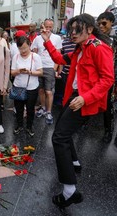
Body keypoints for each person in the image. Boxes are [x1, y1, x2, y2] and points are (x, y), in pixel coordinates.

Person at [41, 13, 114, 208]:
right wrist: (47, 41)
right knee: (61, 131)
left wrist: (84, 98)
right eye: (70, 29)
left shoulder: (99, 48)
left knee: (59, 137)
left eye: (76, 29)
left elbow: (108, 79)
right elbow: (58, 58)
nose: (72, 33)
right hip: (73, 97)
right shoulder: (79, 48)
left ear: (89, 29)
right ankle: (74, 162)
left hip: (84, 101)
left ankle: (69, 190)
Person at [31, 18, 62, 125]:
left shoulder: (57, 38)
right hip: (39, 67)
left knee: (49, 91)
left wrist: (54, 69)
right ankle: (43, 108)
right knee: (40, 90)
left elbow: (58, 55)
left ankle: (49, 111)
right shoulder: (37, 38)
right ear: (43, 26)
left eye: (50, 27)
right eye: (46, 26)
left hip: (50, 67)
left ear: (52, 27)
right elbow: (34, 54)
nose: (48, 29)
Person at [11, 36, 43, 136]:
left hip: (32, 88)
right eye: (20, 48)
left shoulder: (35, 57)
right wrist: (18, 71)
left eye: (25, 48)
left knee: (30, 108)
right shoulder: (16, 56)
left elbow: (41, 72)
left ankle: (29, 126)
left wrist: (30, 72)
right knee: (19, 109)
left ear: (29, 45)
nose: (23, 50)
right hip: (18, 87)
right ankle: (19, 125)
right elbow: (12, 73)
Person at [97, 11, 117, 144]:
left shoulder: (115, 40)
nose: (101, 26)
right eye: (99, 23)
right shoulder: (96, 38)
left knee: (108, 106)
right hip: (97, 77)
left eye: (104, 23)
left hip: (111, 78)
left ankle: (108, 132)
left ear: (111, 23)